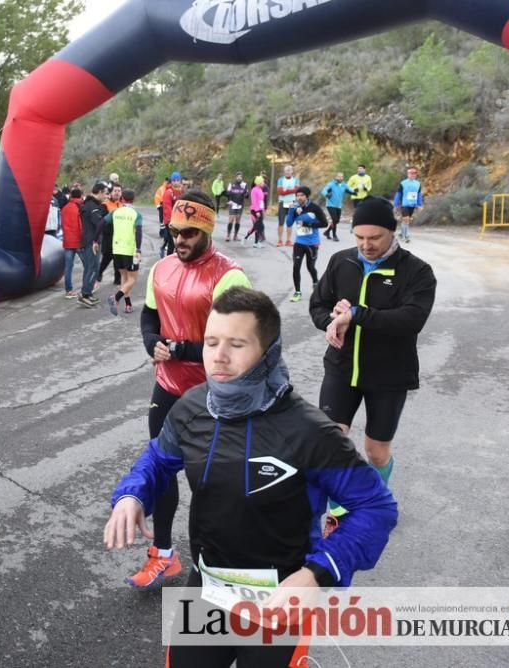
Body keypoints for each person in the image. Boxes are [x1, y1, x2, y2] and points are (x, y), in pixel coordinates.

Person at [106, 287, 398, 668]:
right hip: (208, 589)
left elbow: (376, 507)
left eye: (236, 344)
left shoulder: (308, 431)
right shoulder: (191, 408)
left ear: (268, 352)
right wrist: (132, 496)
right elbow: (157, 461)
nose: (218, 356)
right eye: (211, 342)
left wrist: (319, 572)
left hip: (279, 601)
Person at [130, 190, 251, 589]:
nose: (179, 239)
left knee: (209, 486)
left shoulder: (229, 276)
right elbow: (150, 316)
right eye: (174, 231)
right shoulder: (162, 268)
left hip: (214, 397)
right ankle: (163, 555)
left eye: (189, 233)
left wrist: (181, 348)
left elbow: (236, 345)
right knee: (162, 473)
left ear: (207, 230)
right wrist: (152, 343)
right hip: (167, 387)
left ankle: (212, 566)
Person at [310, 197, 436, 535]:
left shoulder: (417, 272)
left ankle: (376, 499)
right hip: (341, 367)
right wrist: (331, 321)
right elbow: (318, 304)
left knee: (376, 452)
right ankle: (341, 508)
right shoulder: (341, 262)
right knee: (332, 440)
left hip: (389, 374)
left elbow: (412, 319)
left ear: (392, 232)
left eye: (375, 238)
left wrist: (357, 314)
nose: (366, 245)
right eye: (359, 237)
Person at [284, 187, 329, 303]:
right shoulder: (294, 207)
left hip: (312, 243)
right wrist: (291, 210)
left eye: (302, 195)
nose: (299, 197)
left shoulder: (314, 208)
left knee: (310, 267)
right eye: (297, 195)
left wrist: (307, 224)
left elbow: (324, 223)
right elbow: (289, 223)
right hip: (299, 242)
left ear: (307, 196)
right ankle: (297, 292)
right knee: (296, 266)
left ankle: (315, 282)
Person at [103, 189, 143, 316]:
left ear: (122, 199)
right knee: (132, 279)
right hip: (130, 250)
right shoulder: (136, 214)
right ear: (133, 199)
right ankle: (115, 297)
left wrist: (94, 240)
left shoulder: (115, 212)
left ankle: (128, 305)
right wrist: (138, 249)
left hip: (117, 250)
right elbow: (139, 232)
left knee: (124, 278)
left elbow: (101, 223)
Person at [77, 182, 109, 307]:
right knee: (91, 268)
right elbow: (99, 223)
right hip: (91, 242)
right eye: (105, 193)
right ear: (99, 192)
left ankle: (88, 292)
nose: (106, 196)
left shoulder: (94, 205)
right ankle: (84, 294)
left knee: (94, 268)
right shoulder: (92, 206)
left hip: (93, 240)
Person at [60, 187, 85, 298]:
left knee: (68, 267)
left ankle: (68, 291)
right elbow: (80, 226)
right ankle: (88, 287)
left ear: (71, 196)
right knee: (88, 265)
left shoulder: (64, 208)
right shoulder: (79, 208)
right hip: (78, 241)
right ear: (80, 196)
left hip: (67, 241)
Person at [98, 184, 124, 287]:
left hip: (120, 236)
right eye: (115, 191)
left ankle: (117, 279)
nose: (117, 192)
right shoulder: (105, 205)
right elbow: (103, 221)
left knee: (118, 258)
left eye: (119, 191)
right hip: (109, 236)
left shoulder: (122, 205)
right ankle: (99, 273)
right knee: (107, 257)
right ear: (111, 193)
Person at [393, 167, 424, 243]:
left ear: (416, 174)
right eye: (410, 173)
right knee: (406, 219)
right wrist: (395, 205)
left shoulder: (418, 184)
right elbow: (398, 194)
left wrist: (420, 205)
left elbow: (419, 195)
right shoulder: (403, 183)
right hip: (405, 204)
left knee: (407, 220)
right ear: (407, 174)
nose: (412, 174)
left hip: (412, 205)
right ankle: (406, 236)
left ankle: (401, 233)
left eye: (414, 173)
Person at [160, 171, 185, 257]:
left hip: (180, 221)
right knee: (172, 242)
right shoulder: (168, 192)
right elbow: (167, 208)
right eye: (174, 180)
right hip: (171, 221)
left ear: (180, 181)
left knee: (179, 242)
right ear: (171, 181)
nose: (175, 182)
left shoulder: (182, 192)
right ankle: (168, 258)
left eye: (177, 180)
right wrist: (171, 222)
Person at [321, 172, 350, 242]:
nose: (340, 178)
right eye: (339, 176)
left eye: (341, 177)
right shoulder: (331, 184)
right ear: (336, 177)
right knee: (334, 219)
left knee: (336, 221)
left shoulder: (343, 185)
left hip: (338, 205)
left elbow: (350, 189)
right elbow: (324, 190)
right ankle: (334, 235)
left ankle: (327, 232)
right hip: (330, 205)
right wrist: (326, 194)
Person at [275, 165, 299, 247]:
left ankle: (288, 240)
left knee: (290, 223)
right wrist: (291, 191)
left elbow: (297, 190)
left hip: (292, 202)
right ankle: (280, 240)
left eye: (289, 170)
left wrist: (286, 190)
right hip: (282, 202)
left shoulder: (296, 180)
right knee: (281, 222)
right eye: (286, 170)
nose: (288, 172)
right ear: (284, 172)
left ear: (292, 171)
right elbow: (280, 192)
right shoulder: (281, 180)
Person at [224, 172, 248, 242]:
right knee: (231, 219)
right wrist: (229, 197)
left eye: (240, 177)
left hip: (240, 204)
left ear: (242, 178)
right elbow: (227, 193)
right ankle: (228, 235)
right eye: (238, 177)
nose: (239, 178)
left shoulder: (244, 184)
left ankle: (235, 235)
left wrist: (246, 194)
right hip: (233, 203)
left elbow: (247, 194)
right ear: (236, 177)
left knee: (238, 219)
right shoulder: (231, 184)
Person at [246, 176, 267, 248]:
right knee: (257, 227)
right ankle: (255, 242)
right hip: (255, 211)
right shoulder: (254, 190)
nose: (264, 183)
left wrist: (263, 210)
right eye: (262, 182)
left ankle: (254, 241)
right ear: (258, 183)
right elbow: (254, 202)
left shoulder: (260, 190)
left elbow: (261, 202)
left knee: (259, 227)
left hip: (260, 210)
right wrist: (257, 211)